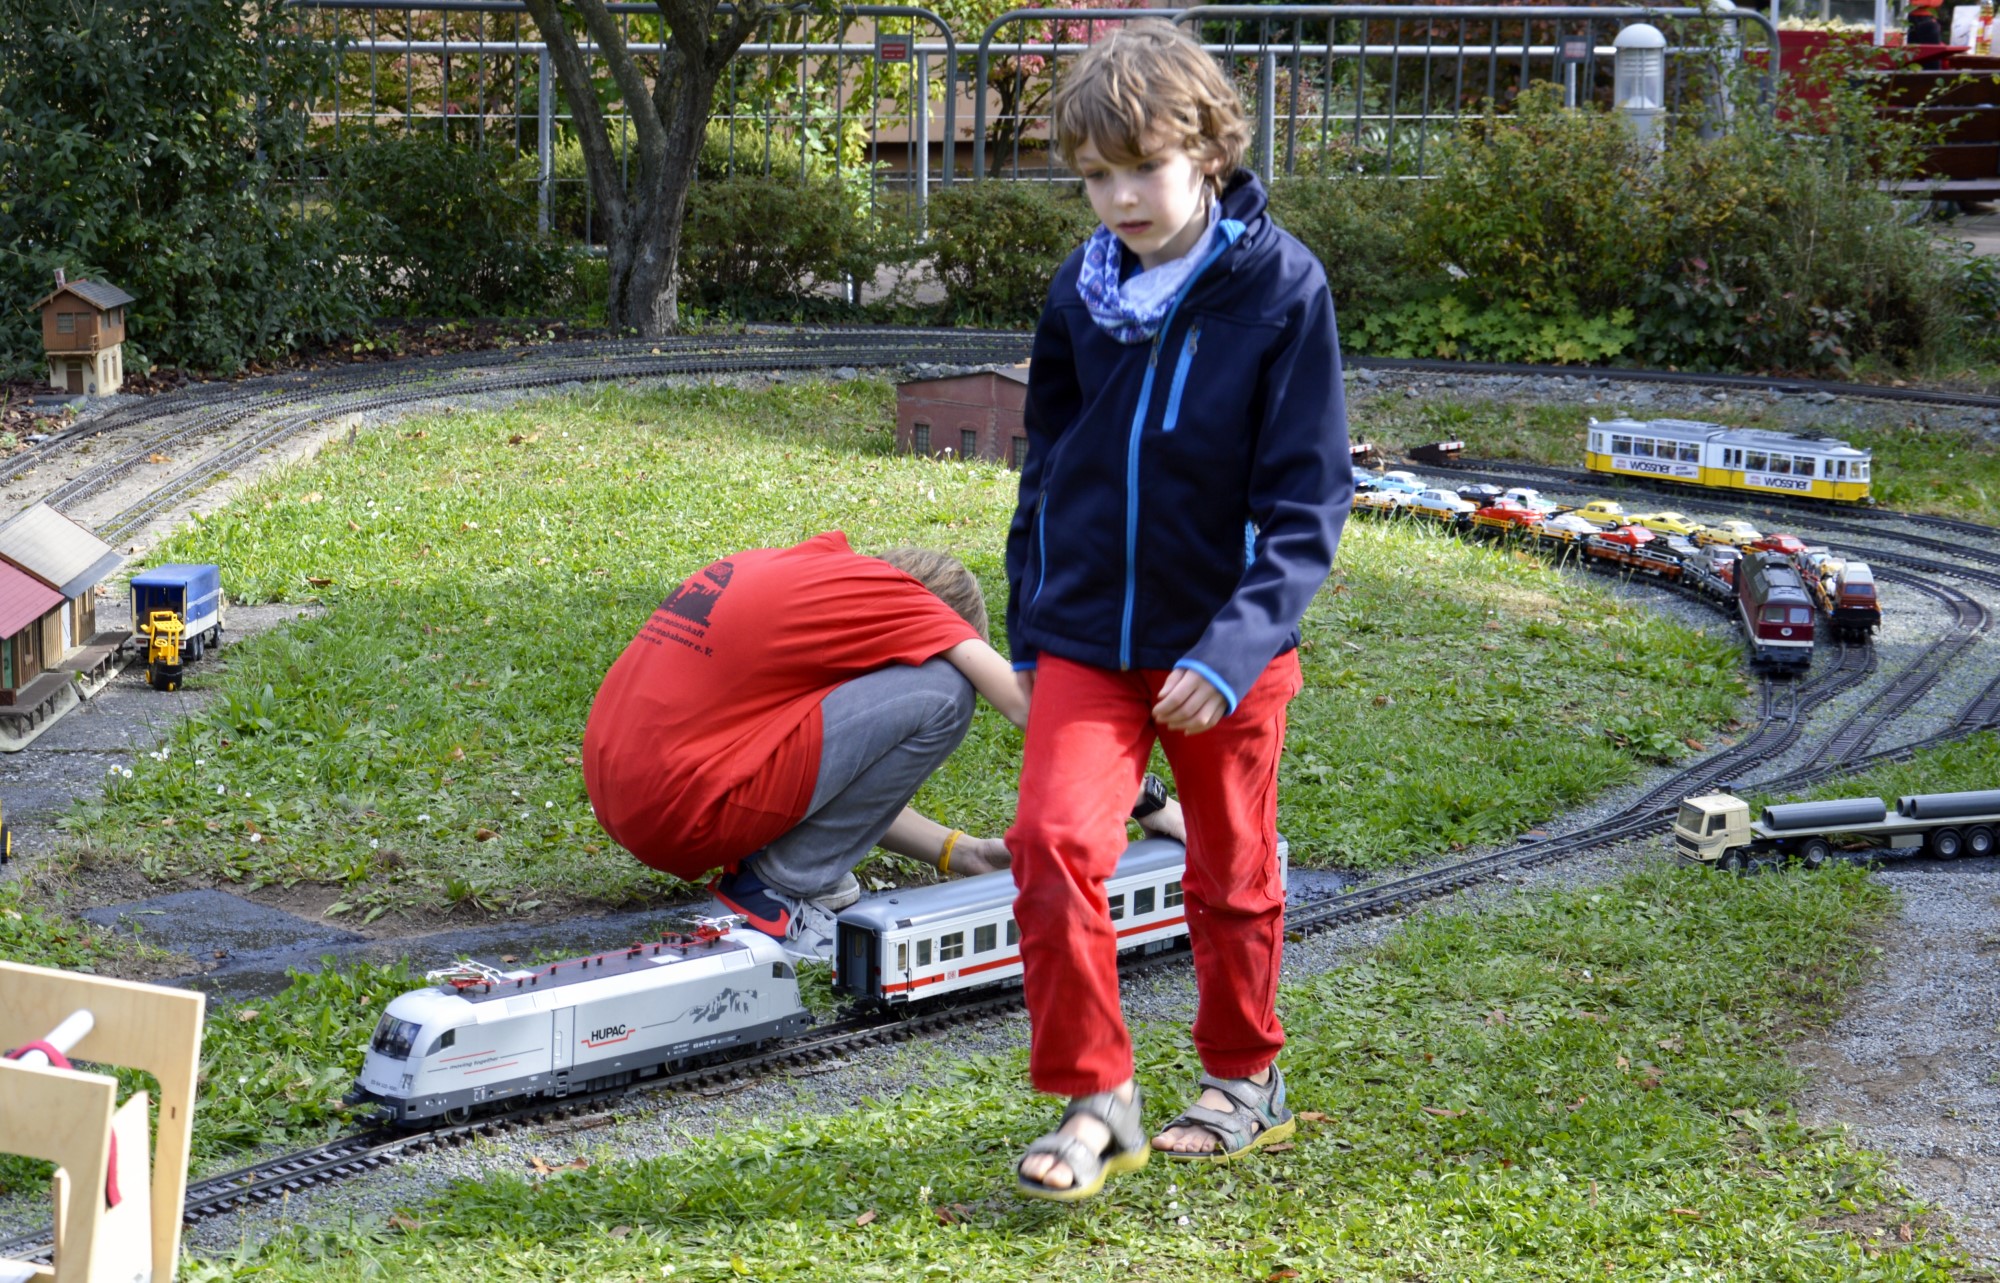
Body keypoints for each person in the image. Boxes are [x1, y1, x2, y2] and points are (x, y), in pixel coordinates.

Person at [1003, 20, 1352, 1200]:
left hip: (1224, 646)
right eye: (1092, 177)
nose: (1114, 199)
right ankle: (1096, 1092)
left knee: (1229, 867)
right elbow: (1045, 461)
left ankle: (1244, 1078)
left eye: (1136, 169)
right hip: (1087, 636)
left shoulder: (1281, 287)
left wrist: (1235, 643)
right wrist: (1032, 617)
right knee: (1050, 843)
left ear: (1204, 148)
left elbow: (1305, 501)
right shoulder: (1080, 289)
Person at [582, 531, 1182, 960]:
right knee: (947, 691)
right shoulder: (905, 602)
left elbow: (835, 778)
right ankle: (773, 896)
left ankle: (780, 880)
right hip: (678, 808)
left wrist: (962, 852)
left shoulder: (804, 571)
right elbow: (1033, 708)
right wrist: (1148, 800)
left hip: (622, 789)